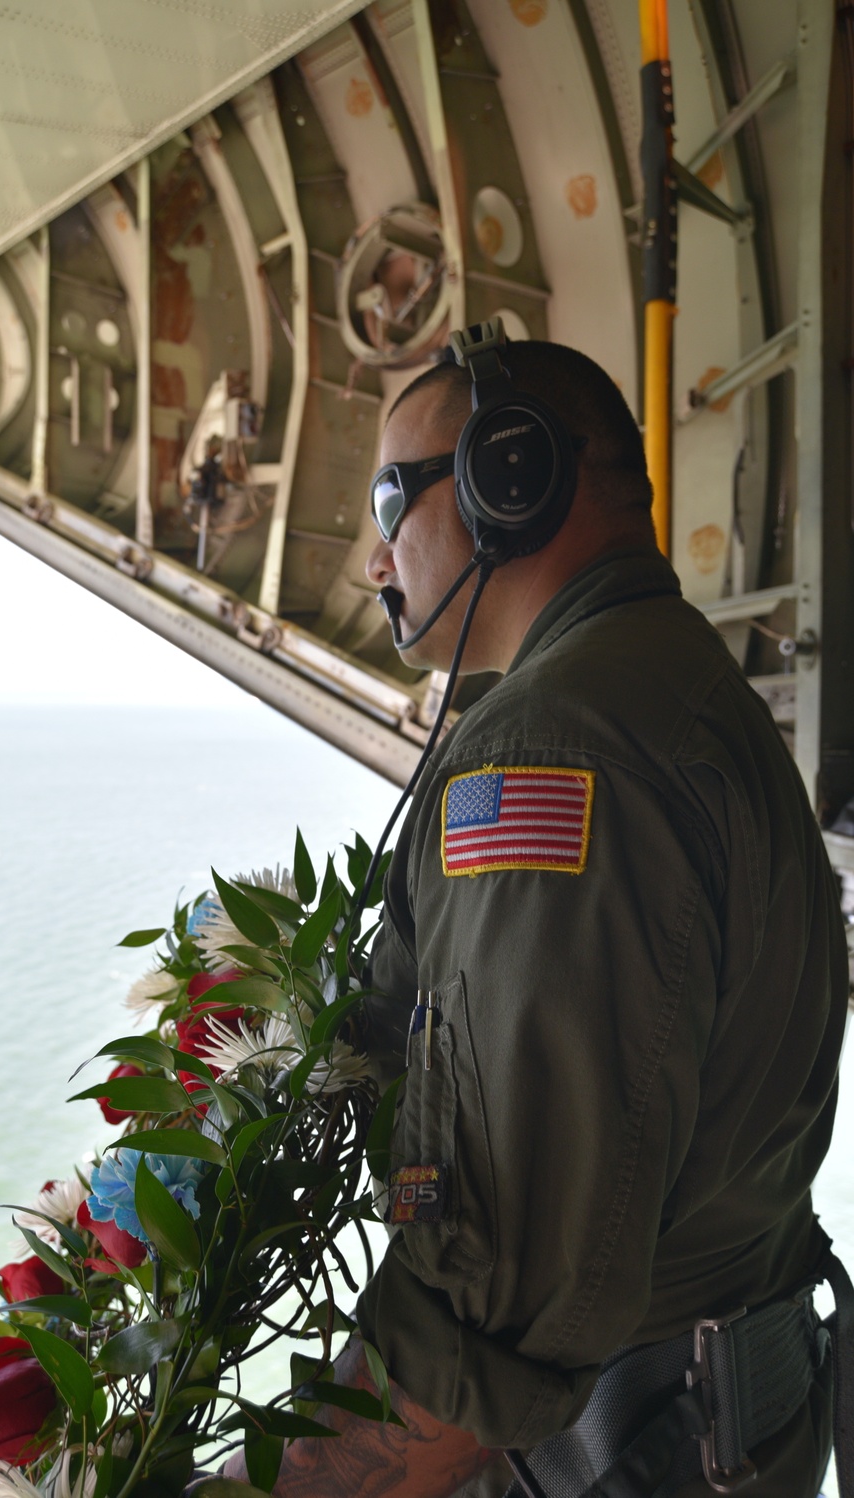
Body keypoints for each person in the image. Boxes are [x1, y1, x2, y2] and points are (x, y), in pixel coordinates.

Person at [223, 333, 850, 1498]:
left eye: (385, 502)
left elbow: (483, 1347)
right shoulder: (679, 691)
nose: (371, 561)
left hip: (623, 1448)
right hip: (721, 1423)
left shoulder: (555, 753)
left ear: (505, 483)